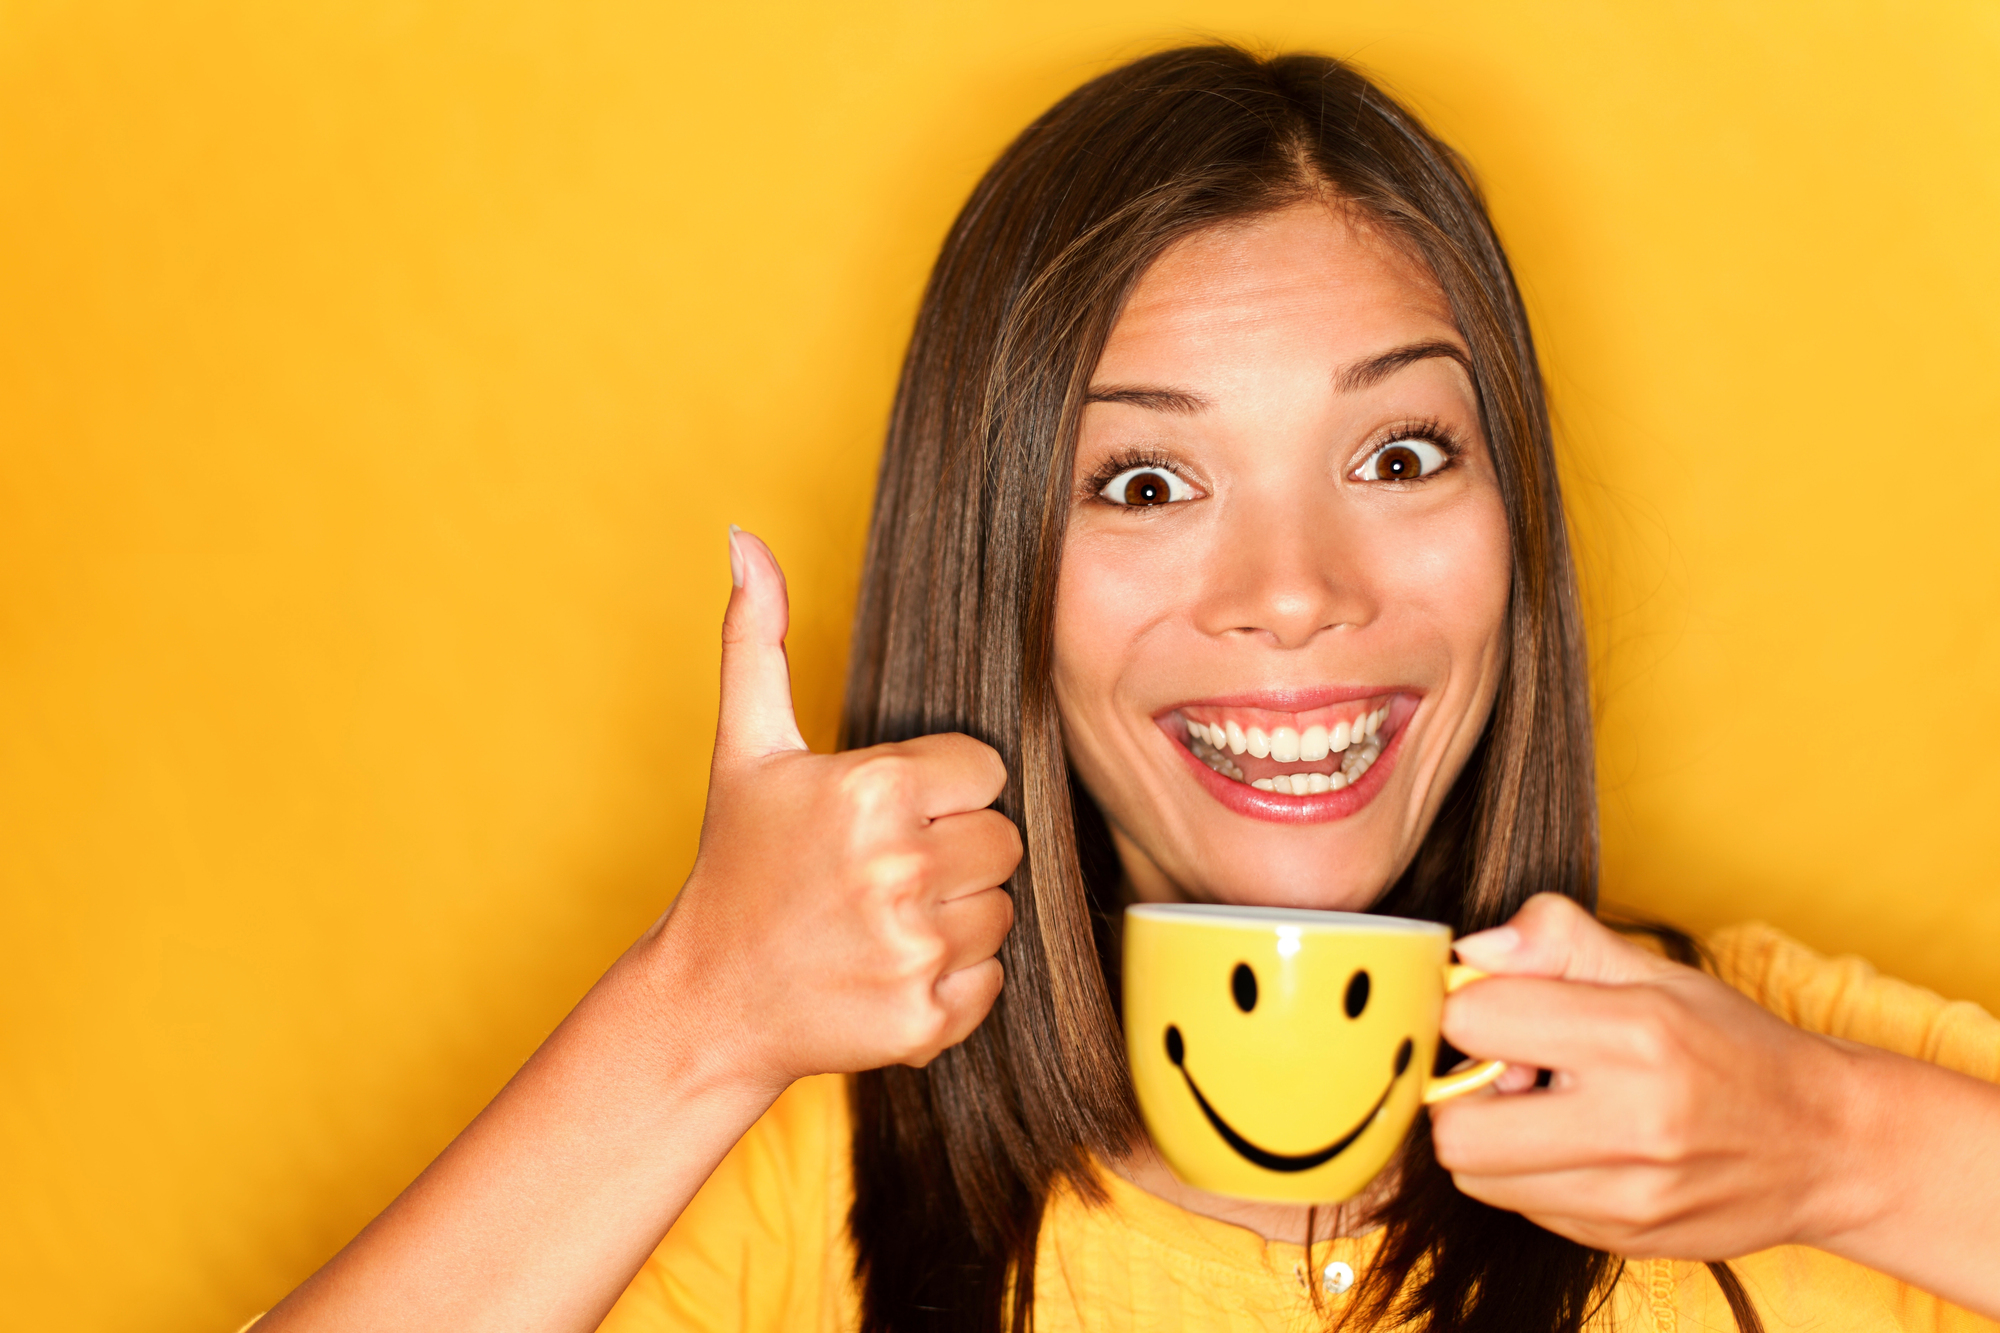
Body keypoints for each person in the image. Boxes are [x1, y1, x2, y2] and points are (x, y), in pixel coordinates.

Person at [251, 45, 2000, 1333]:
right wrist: (695, 1012)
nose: (1299, 595)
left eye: (1399, 451)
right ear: (998, 566)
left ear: (1516, 520)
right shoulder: (810, 1175)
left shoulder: (1791, 1086)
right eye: (1147, 485)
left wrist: (1844, 1147)